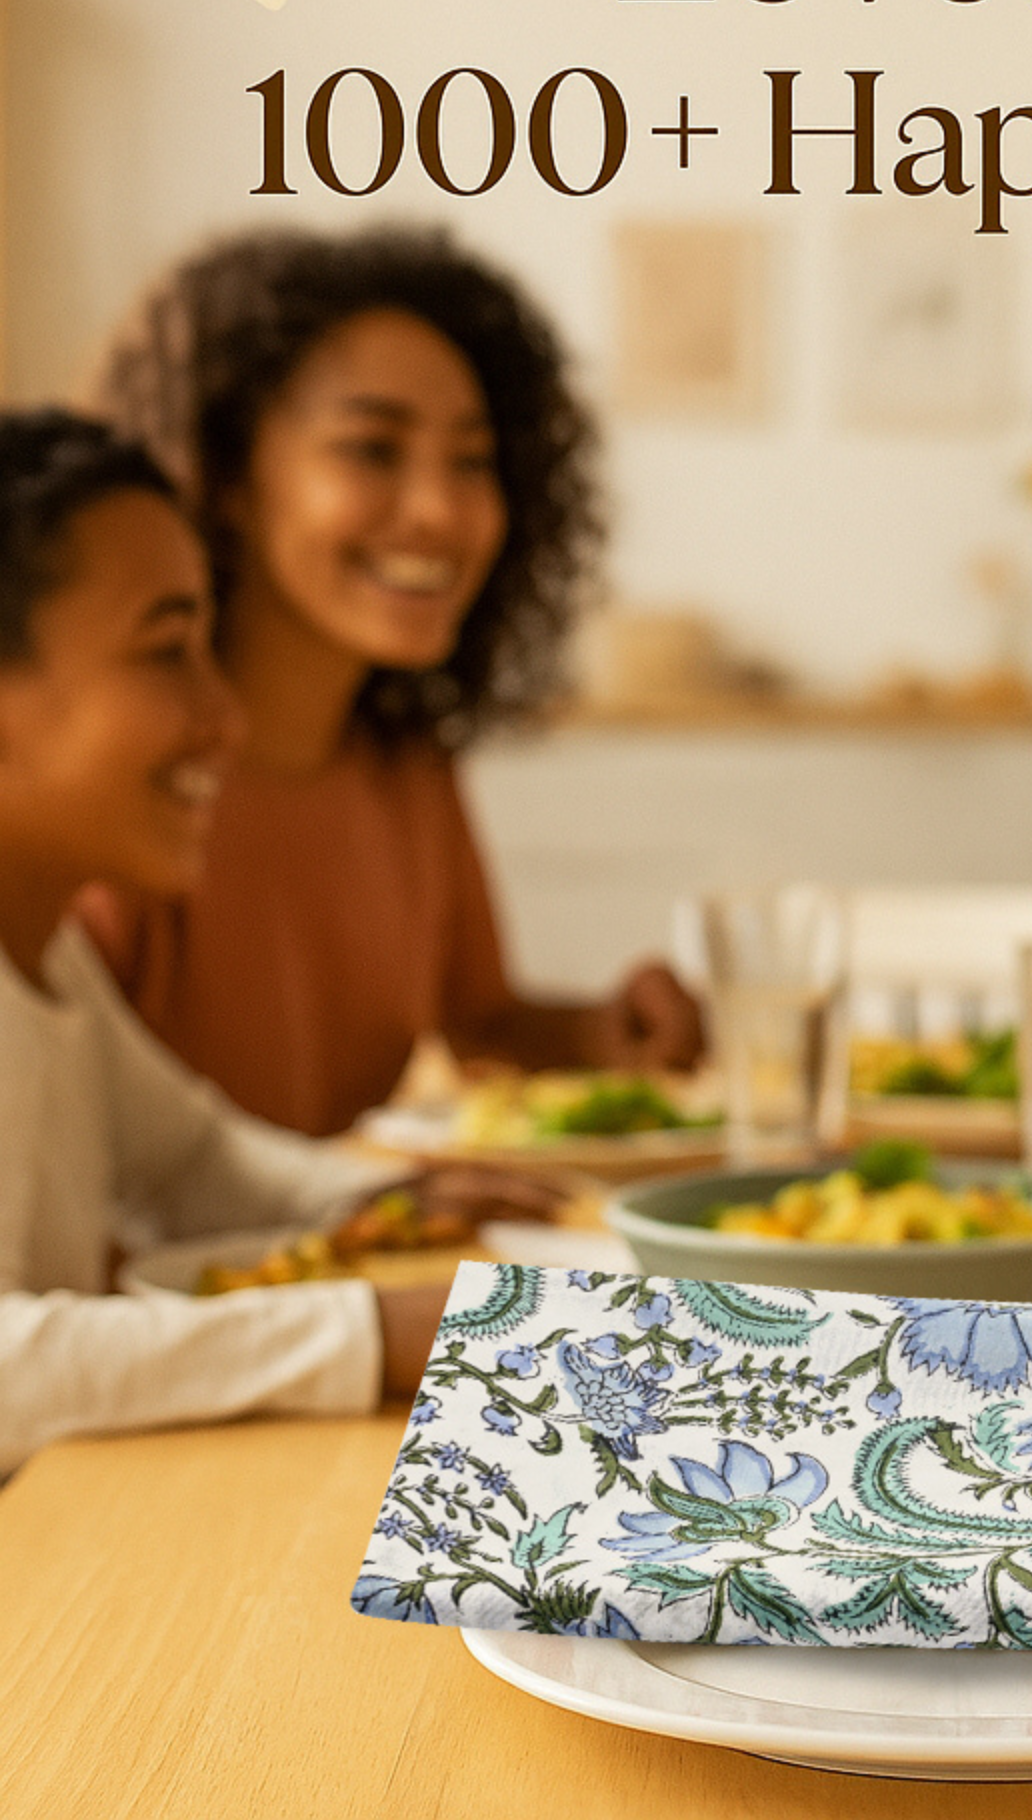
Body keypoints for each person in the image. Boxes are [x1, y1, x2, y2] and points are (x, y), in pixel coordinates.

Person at [77, 227, 704, 1135]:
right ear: (224, 478)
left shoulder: (405, 766)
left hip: (325, 1261)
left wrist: (605, 1030)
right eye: (372, 449)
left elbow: (479, 1024)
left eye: (473, 461)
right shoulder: (122, 777)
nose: (442, 511)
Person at [0, 410, 532, 1475]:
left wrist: (376, 1198)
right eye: (166, 653)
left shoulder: (42, 947)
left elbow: (188, 1156)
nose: (222, 715)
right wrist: (368, 1335)